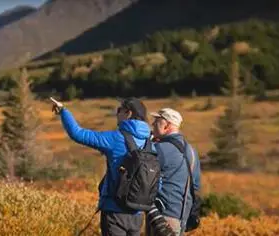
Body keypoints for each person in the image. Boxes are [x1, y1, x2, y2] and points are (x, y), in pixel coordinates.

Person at [51, 97, 152, 236]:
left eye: (119, 110)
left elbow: (78, 134)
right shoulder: (150, 143)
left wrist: (63, 111)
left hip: (115, 212)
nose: (117, 114)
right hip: (138, 214)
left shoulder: (116, 138)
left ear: (128, 113)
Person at [147, 108, 201, 236]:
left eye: (157, 121)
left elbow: (143, 176)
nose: (153, 124)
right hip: (182, 218)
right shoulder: (193, 152)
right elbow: (196, 185)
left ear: (167, 126)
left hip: (161, 218)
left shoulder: (159, 148)